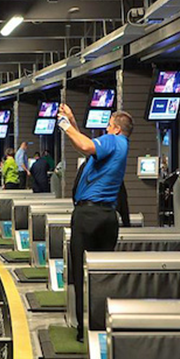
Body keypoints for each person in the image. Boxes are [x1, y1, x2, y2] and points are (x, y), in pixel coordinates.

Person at [59, 104, 132, 343]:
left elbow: (84, 145)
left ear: (117, 129)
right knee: (101, 274)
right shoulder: (119, 146)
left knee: (83, 273)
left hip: (88, 217)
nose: (106, 129)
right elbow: (86, 147)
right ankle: (101, 323)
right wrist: (72, 121)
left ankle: (85, 329)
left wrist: (63, 124)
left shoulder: (113, 140)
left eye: (109, 125)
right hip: (107, 217)